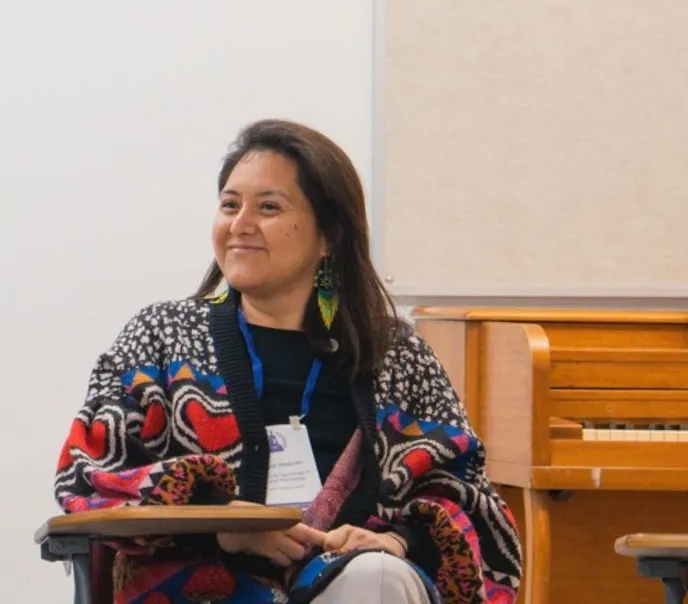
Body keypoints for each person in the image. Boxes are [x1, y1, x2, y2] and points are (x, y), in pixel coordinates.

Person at [53, 119, 521, 604]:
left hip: (351, 583)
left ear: (329, 237)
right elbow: (85, 475)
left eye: (269, 207)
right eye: (230, 205)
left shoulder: (395, 354)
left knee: (377, 578)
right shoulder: (159, 338)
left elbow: (472, 499)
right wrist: (224, 524)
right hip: (200, 583)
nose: (240, 225)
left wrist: (395, 542)